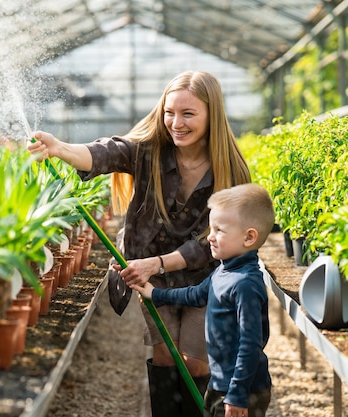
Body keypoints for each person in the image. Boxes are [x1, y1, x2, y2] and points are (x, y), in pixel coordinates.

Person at [27, 70, 251, 417]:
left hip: (206, 279)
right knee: (164, 355)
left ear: (212, 114)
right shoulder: (149, 151)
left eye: (188, 113)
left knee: (194, 361)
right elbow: (108, 153)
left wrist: (158, 263)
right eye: (169, 112)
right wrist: (61, 149)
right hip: (153, 276)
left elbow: (214, 243)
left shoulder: (231, 169)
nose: (176, 122)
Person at [136, 183, 274, 417]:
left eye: (219, 230)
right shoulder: (223, 271)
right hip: (220, 383)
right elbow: (195, 294)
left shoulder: (246, 284)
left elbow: (250, 345)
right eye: (210, 228)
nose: (209, 237)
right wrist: (156, 294)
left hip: (243, 390)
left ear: (249, 237)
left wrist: (238, 394)